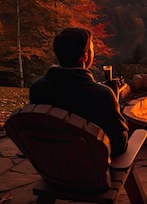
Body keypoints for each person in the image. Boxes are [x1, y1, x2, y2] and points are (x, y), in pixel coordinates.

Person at [29, 27, 129, 157]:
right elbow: (119, 143)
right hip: (91, 166)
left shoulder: (37, 88)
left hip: (55, 163)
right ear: (85, 56)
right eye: (92, 50)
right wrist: (113, 98)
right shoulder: (101, 95)